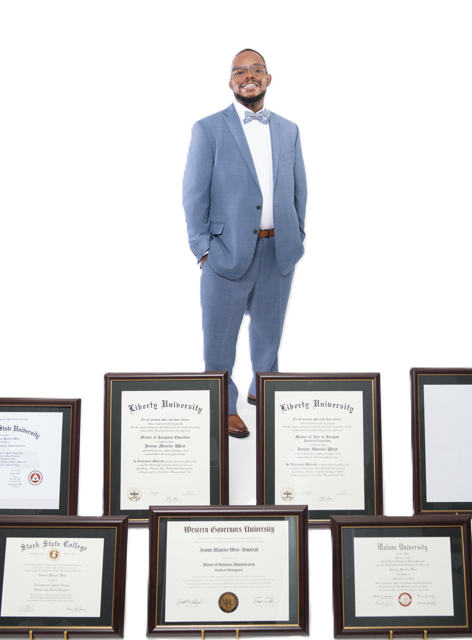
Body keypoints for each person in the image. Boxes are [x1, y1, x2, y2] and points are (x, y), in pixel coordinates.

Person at [183, 48, 307, 438]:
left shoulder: (288, 129)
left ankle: (264, 392)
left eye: (256, 70)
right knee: (219, 338)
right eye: (239, 71)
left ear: (268, 79)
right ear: (230, 81)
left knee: (269, 335)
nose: (247, 76)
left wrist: (297, 236)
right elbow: (193, 194)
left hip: (279, 251)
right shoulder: (208, 129)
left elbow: (299, 188)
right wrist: (203, 247)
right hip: (226, 253)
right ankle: (222, 403)